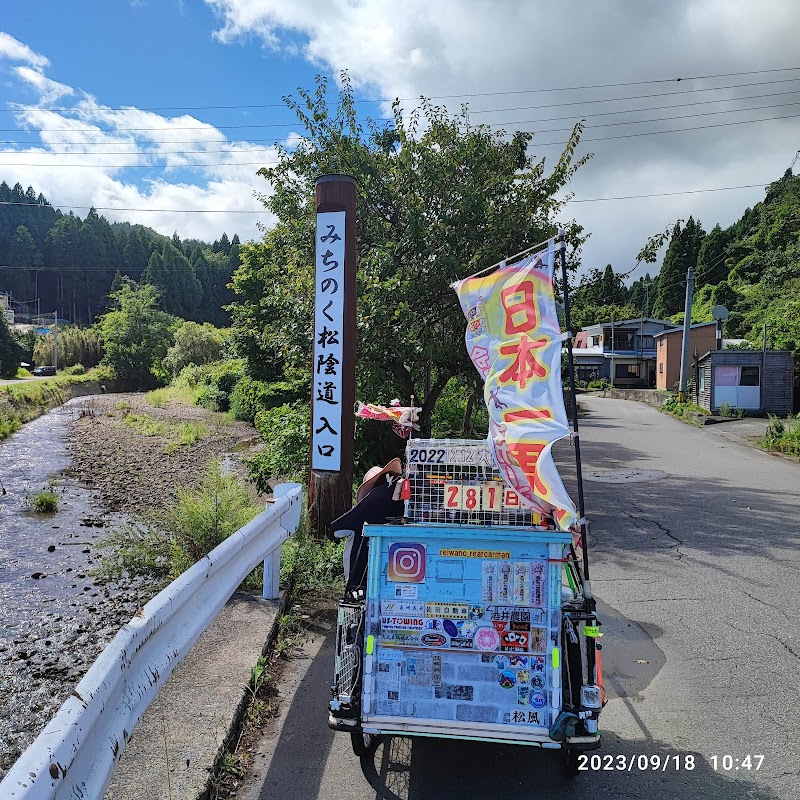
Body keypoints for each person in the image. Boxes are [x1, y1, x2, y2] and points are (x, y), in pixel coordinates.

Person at [328, 458, 404, 597]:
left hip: (362, 576)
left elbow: (336, 531)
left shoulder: (369, 504)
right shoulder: (405, 502)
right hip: (402, 567)